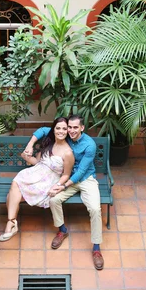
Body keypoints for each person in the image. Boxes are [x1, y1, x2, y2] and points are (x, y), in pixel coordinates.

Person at [24, 115, 104, 270]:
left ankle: (96, 248)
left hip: (86, 179)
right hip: (65, 178)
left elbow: (81, 171)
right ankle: (62, 230)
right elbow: (42, 130)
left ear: (82, 128)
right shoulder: (64, 133)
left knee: (95, 208)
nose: (71, 131)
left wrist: (63, 186)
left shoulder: (89, 145)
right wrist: (30, 144)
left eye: (75, 127)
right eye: (69, 127)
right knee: (54, 200)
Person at [0, 117, 74, 242]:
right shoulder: (48, 143)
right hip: (35, 173)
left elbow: (66, 174)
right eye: (58, 128)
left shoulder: (68, 153)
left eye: (64, 129)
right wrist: (26, 157)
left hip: (48, 180)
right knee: (16, 183)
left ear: (67, 131)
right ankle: (11, 222)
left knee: (11, 196)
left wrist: (57, 185)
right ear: (54, 129)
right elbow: (38, 162)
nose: (61, 131)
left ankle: (11, 224)